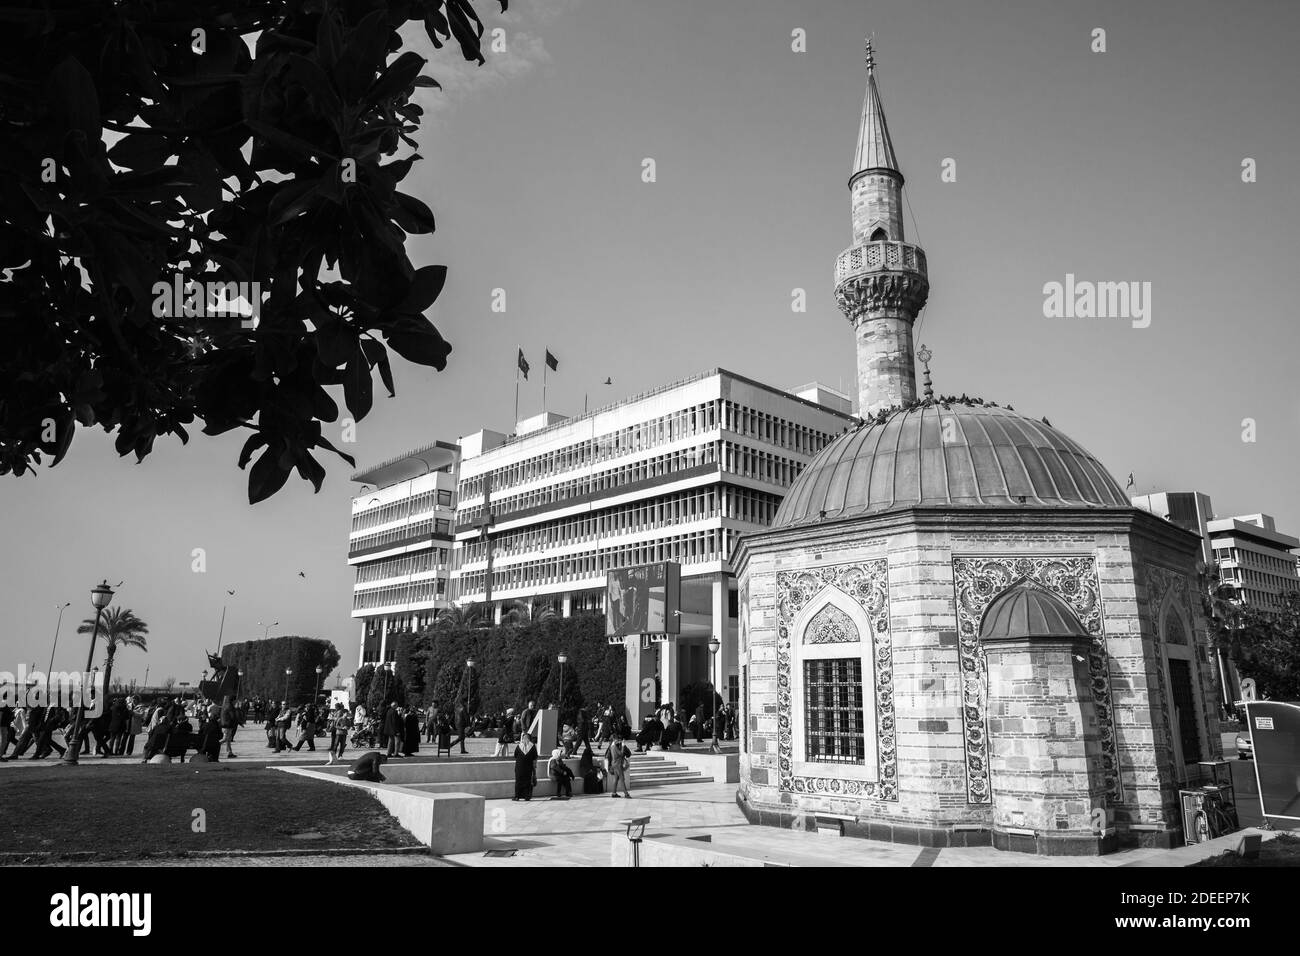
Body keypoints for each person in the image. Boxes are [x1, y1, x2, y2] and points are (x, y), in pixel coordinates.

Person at [604, 734, 632, 798]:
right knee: (622, 779)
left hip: (614, 764)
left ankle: (614, 793)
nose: (618, 740)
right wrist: (623, 746)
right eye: (617, 739)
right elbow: (621, 754)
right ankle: (626, 794)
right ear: (614, 739)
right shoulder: (614, 747)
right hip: (618, 765)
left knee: (616, 779)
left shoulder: (611, 746)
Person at [513, 732, 538, 801]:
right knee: (527, 782)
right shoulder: (532, 746)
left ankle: (517, 796)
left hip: (519, 767)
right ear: (530, 738)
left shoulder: (519, 746)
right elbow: (535, 756)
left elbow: (515, 755)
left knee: (518, 781)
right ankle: (527, 796)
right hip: (528, 767)